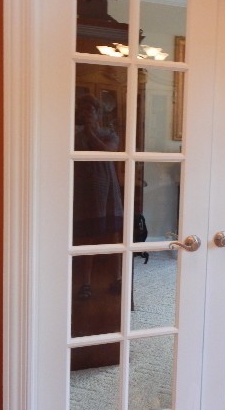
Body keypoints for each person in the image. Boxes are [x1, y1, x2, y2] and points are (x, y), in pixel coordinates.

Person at [73, 94, 123, 299]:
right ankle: (85, 283)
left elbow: (106, 153)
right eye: (83, 110)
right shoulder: (73, 135)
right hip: (84, 191)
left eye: (91, 110)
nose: (87, 114)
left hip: (107, 190)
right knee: (87, 236)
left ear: (99, 114)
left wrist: (90, 131)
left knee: (113, 235)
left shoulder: (109, 134)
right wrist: (83, 130)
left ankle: (117, 279)